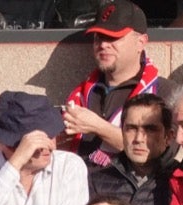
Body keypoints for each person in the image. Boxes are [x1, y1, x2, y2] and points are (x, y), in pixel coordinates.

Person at [63, 0, 170, 166]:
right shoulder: (81, 93)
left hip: (133, 190)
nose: (104, 45)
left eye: (113, 37)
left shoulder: (163, 91)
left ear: (140, 42)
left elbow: (162, 153)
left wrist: (98, 127)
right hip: (78, 186)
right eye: (99, 37)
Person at [86, 95, 176, 205]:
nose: (139, 139)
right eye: (131, 129)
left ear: (168, 137)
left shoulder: (181, 181)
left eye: (150, 129)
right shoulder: (97, 180)